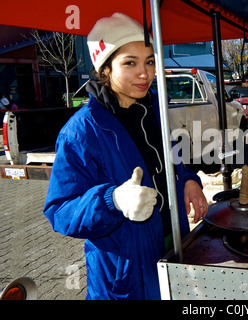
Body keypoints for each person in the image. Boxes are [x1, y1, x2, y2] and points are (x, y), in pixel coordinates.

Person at [43, 12, 208, 300]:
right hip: (126, 271)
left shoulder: (155, 108)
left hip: (174, 243)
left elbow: (171, 161)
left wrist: (189, 180)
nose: (144, 73)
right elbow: (60, 210)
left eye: (150, 61)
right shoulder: (81, 131)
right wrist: (113, 200)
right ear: (104, 69)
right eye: (129, 63)